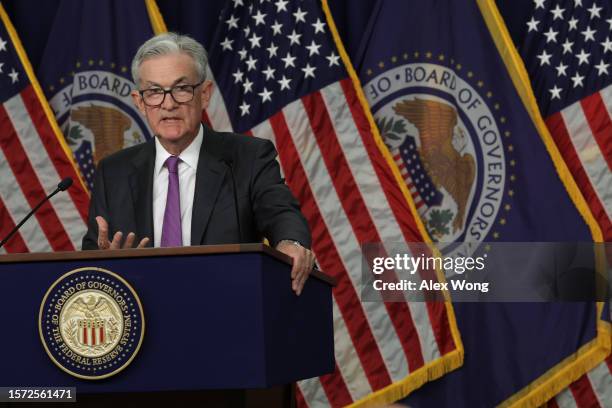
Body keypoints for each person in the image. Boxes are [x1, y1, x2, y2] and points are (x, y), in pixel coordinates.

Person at [82, 32, 315, 294]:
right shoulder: (114, 172)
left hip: (227, 309)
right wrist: (102, 265)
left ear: (204, 94)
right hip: (141, 320)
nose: (168, 104)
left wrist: (291, 242)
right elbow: (92, 257)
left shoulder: (248, 157)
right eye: (155, 92)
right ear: (140, 102)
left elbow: (281, 213)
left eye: (181, 89)